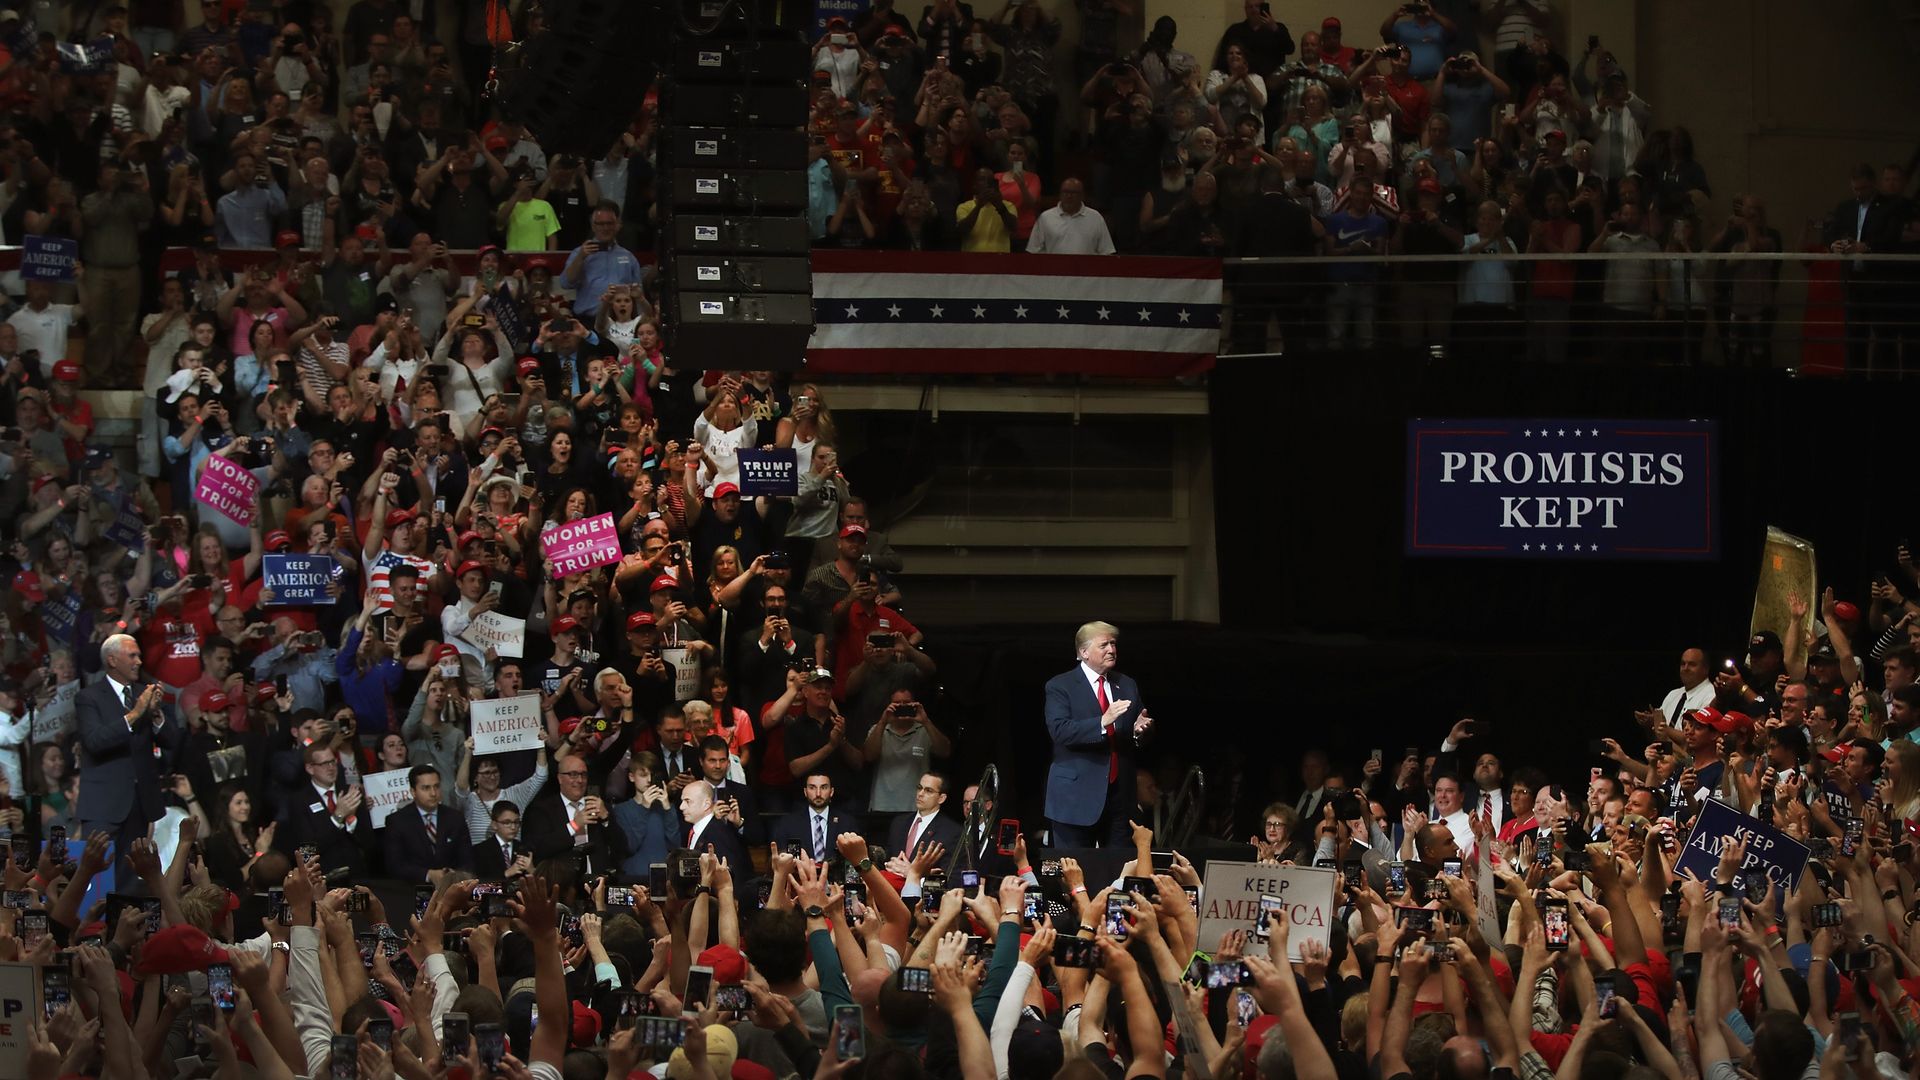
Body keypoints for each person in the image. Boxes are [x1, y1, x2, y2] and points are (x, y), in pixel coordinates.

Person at [75, 634, 182, 872]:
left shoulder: (143, 693)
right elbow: (95, 741)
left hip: (141, 803)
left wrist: (155, 714)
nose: (139, 661)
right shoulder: (88, 697)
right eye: (132, 655)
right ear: (112, 660)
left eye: (139, 655)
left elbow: (172, 741)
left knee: (131, 878)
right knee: (97, 877)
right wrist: (135, 713)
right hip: (103, 805)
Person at [1043, 620, 1153, 847]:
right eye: (1104, 645)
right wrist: (1103, 721)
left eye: (1113, 644)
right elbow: (1061, 731)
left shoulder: (1126, 684)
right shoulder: (1060, 685)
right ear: (1084, 652)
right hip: (1075, 799)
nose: (1111, 650)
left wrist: (1139, 731)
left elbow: (1137, 733)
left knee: (1119, 872)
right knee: (1075, 870)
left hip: (1120, 799)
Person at [382, 763, 472, 883]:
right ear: (413, 791)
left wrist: (454, 875)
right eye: (426, 788)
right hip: (413, 890)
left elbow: (467, 860)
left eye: (436, 786)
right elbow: (395, 866)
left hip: (453, 888)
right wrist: (428, 875)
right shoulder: (397, 822)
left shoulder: (455, 818)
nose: (433, 793)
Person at [772, 771, 860, 864]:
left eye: (824, 787)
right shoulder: (789, 824)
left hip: (836, 877)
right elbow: (782, 860)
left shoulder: (847, 823)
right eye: (812, 788)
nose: (818, 793)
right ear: (805, 792)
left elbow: (855, 859)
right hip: (800, 876)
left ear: (831, 792)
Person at [1025, 177, 1115, 254]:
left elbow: (1106, 251)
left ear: (1082, 195)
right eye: (1065, 192)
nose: (1069, 196)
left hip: (1087, 272)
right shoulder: (1045, 218)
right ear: (1060, 194)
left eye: (1074, 192)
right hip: (1054, 272)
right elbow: (1034, 250)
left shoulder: (1095, 218)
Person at [885, 770, 962, 857]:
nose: (920, 794)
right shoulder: (899, 822)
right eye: (919, 788)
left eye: (928, 790)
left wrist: (910, 869)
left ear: (941, 798)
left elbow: (946, 868)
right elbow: (888, 858)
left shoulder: (951, 832)